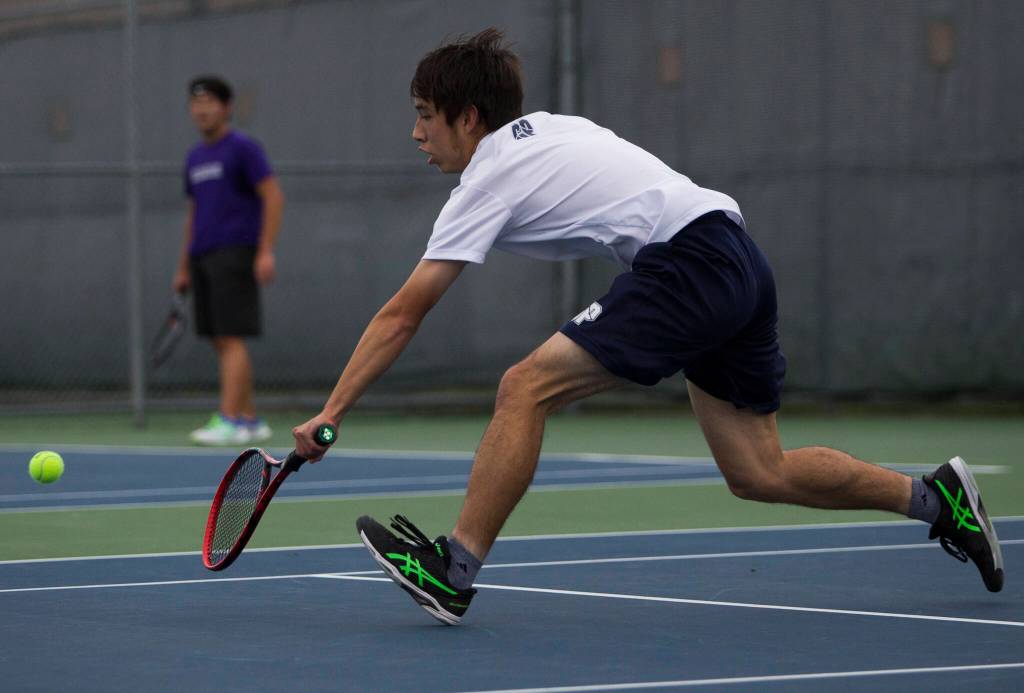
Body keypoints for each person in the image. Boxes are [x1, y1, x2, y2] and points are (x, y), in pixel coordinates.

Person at [292, 29, 1003, 624]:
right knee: (758, 470)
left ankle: (455, 568)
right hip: (735, 255)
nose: (416, 133)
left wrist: (331, 412)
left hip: (690, 260)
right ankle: (936, 497)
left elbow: (403, 313)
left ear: (468, 117)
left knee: (524, 386)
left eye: (425, 114)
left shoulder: (488, 174)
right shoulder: (550, 129)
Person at [174, 75, 284, 445]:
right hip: (202, 256)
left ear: (226, 108)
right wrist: (184, 266)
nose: (202, 109)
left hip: (235, 253)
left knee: (230, 337)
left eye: (210, 102)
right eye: (196, 103)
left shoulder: (242, 148)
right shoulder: (194, 157)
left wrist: (265, 249)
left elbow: (272, 196)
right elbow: (194, 212)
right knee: (220, 340)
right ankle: (249, 419)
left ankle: (228, 419)